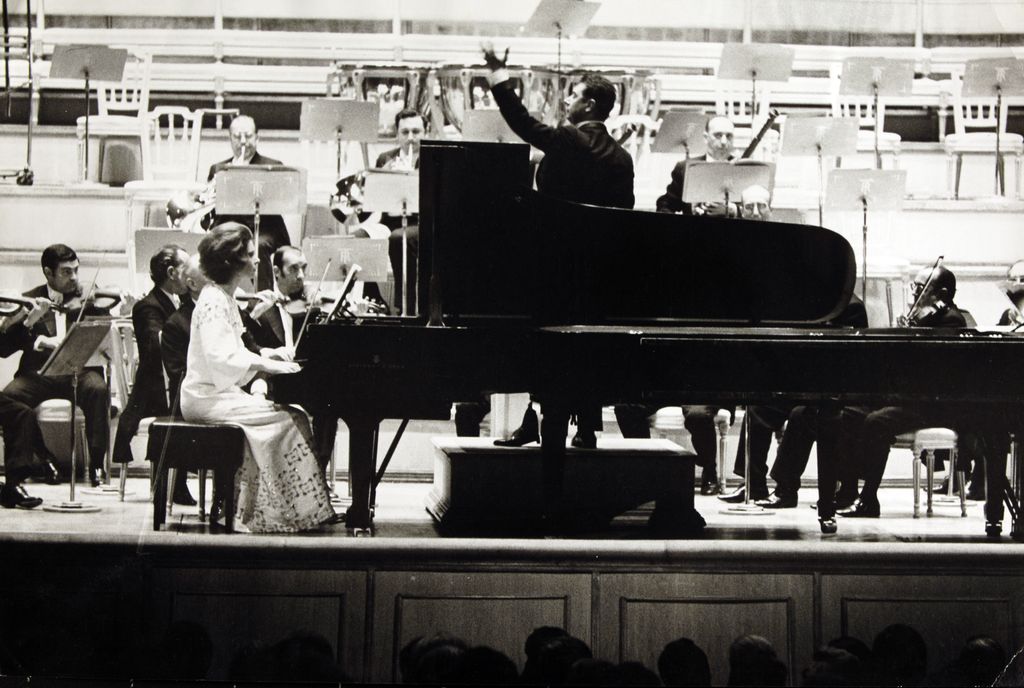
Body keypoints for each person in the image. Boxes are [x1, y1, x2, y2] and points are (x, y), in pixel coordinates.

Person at [482, 41, 634, 449]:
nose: (568, 98)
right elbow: (626, 216)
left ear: (589, 105)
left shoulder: (569, 140)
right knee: (588, 347)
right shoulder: (621, 158)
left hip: (555, 264)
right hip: (600, 270)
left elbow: (523, 123)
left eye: (574, 93)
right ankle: (585, 429)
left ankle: (540, 422)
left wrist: (498, 76)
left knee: (545, 347)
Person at [179, 222, 334, 533]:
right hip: (204, 398)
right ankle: (269, 512)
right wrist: (271, 365)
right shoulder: (212, 300)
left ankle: (269, 509)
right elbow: (221, 358)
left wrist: (269, 356)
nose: (258, 259)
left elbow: (233, 350)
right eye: (250, 254)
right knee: (290, 420)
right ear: (231, 263)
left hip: (218, 395)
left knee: (294, 416)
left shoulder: (223, 297)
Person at [832, 264, 967, 521]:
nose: (915, 293)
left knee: (876, 422)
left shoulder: (950, 320)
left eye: (920, 288)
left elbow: (932, 372)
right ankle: (848, 490)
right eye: (915, 286)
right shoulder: (926, 319)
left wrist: (910, 336)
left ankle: (869, 499)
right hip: (912, 399)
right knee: (850, 413)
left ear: (943, 292)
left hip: (934, 406)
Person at [0, 244, 113, 487]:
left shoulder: (88, 298)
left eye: (76, 271)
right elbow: (4, 349)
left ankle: (96, 465)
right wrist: (29, 322)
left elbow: (105, 332)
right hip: (38, 374)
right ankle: (43, 460)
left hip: (78, 372)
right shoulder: (29, 300)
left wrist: (111, 308)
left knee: (98, 389)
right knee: (9, 397)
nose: (74, 278)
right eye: (66, 272)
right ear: (48, 273)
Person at [248, 245, 338, 473]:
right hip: (271, 378)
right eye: (294, 269)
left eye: (304, 268)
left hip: (299, 379)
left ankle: (316, 473)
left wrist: (324, 312)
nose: (301, 275)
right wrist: (253, 317)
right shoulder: (259, 305)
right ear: (277, 272)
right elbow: (248, 345)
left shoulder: (311, 304)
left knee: (329, 405)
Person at [111, 245, 189, 469]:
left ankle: (179, 478)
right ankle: (174, 482)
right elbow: (156, 350)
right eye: (186, 270)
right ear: (172, 273)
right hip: (154, 389)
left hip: (170, 380)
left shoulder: (178, 302)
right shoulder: (148, 306)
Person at [207, 115, 291, 291]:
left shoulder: (273, 166)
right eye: (237, 137)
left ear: (257, 137)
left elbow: (281, 202)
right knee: (212, 245)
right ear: (230, 139)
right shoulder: (218, 169)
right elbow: (212, 208)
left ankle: (264, 299)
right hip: (229, 229)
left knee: (257, 246)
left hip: (266, 229)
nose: (243, 142)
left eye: (248, 136)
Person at [375, 108, 425, 314]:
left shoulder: (434, 157)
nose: (411, 138)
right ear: (397, 134)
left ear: (425, 131)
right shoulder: (385, 159)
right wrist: (388, 176)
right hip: (390, 219)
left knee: (399, 239)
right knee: (360, 239)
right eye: (405, 132)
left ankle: (407, 307)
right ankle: (374, 302)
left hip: (422, 222)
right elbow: (375, 201)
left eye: (416, 131)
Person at [656, 115, 736, 215]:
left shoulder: (743, 168)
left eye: (729, 136)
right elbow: (665, 205)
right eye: (718, 135)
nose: (724, 142)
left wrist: (733, 210)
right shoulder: (685, 168)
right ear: (706, 138)